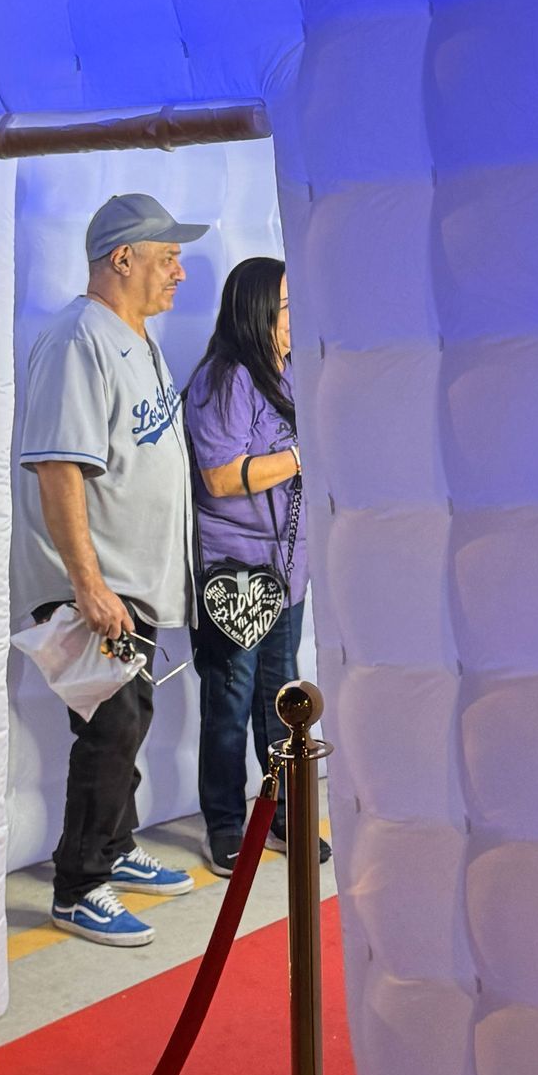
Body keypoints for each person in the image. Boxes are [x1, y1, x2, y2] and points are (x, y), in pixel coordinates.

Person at [16, 193, 206, 945]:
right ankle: (79, 884)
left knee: (128, 721)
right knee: (111, 724)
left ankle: (116, 846)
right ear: (122, 257)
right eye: (167, 258)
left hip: (134, 578)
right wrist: (88, 584)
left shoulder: (133, 336)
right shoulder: (77, 338)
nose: (180, 273)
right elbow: (59, 467)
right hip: (93, 581)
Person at [184, 257, 329, 876]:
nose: (298, 318)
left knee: (281, 698)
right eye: (289, 307)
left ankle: (280, 819)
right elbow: (219, 478)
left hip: (288, 571)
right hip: (235, 573)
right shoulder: (224, 379)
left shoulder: (292, 372)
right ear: (259, 311)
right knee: (229, 697)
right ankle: (223, 824)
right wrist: (302, 455)